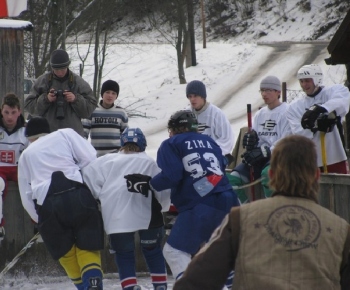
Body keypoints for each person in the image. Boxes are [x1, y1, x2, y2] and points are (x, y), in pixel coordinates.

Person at [173, 135, 350, 290]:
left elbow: (195, 281)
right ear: (317, 176)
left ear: (271, 175)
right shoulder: (341, 231)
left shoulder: (240, 219)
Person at [124, 110, 240, 288]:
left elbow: (173, 175)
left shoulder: (171, 143)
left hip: (201, 205)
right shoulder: (210, 141)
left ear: (175, 129)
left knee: (174, 252)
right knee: (217, 253)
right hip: (229, 199)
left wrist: (151, 184)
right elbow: (222, 165)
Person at [18, 117, 104, 290]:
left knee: (66, 253)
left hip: (47, 205)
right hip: (77, 194)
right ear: (47, 130)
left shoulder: (26, 155)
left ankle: (83, 287)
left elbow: (26, 196)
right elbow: (90, 158)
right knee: (88, 246)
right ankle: (93, 284)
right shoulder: (65, 134)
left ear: (29, 137)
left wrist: (39, 219)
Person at [82, 127, 170, 290]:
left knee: (124, 254)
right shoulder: (149, 162)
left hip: (116, 216)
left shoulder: (106, 160)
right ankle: (160, 286)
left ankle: (130, 287)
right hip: (148, 216)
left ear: (122, 143)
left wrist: (101, 197)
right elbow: (162, 190)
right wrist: (164, 207)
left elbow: (88, 178)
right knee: (152, 250)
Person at [227, 76, 292, 203]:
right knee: (231, 180)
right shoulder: (260, 114)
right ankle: (246, 210)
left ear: (278, 92)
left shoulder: (287, 111)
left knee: (268, 174)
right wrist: (251, 143)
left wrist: (267, 150)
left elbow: (286, 140)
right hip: (260, 158)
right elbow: (257, 138)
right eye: (262, 90)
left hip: (278, 157)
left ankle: (272, 208)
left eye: (268, 90)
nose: (264, 94)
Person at [286, 63, 350, 173]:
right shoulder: (295, 106)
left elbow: (342, 102)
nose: (304, 84)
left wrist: (322, 109)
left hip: (335, 155)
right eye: (301, 81)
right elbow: (298, 131)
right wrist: (315, 126)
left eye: (307, 80)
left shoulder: (331, 92)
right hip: (310, 159)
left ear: (316, 79)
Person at [24, 49, 97, 137]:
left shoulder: (78, 82)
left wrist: (75, 99)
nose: (60, 72)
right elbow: (29, 106)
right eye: (56, 69)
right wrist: (46, 99)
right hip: (47, 134)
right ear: (52, 67)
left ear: (67, 66)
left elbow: (90, 108)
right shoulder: (42, 82)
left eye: (62, 69)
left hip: (72, 136)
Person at [0, 93, 29, 241]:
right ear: (1, 111)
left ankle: (39, 221)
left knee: (32, 184)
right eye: (6, 112)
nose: (9, 117)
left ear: (19, 112)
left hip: (19, 169)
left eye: (13, 113)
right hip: (0, 170)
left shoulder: (26, 131)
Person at [186, 80, 234, 160]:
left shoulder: (216, 114)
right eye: (190, 96)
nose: (192, 99)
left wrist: (210, 151)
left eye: (195, 96)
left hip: (215, 156)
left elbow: (227, 139)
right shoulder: (186, 114)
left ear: (203, 96)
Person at [82, 80, 128, 156]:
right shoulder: (92, 110)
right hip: (96, 156)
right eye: (107, 92)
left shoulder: (121, 112)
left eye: (113, 93)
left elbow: (125, 135)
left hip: (116, 156)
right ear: (102, 94)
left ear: (116, 96)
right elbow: (83, 133)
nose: (110, 95)